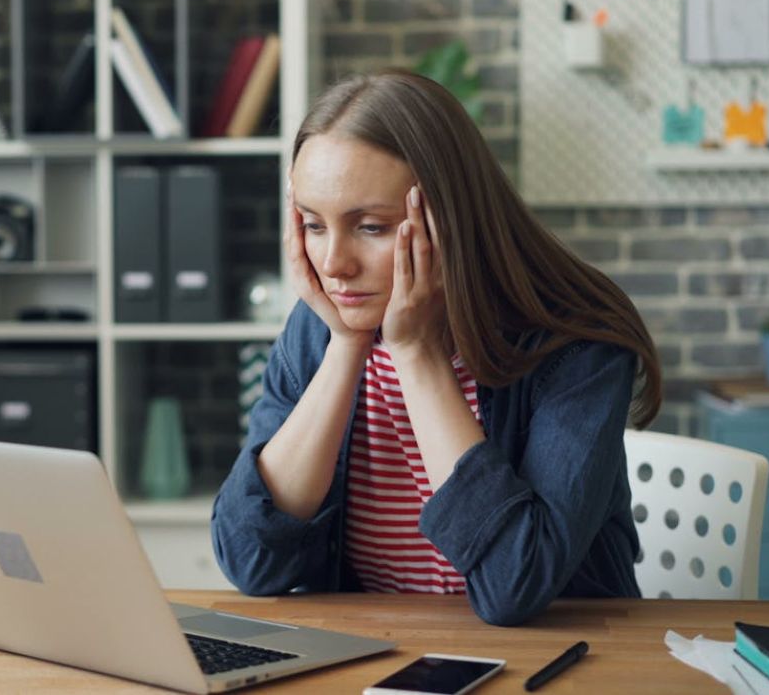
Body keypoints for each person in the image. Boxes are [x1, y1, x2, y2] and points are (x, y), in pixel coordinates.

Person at [211, 69, 662, 627]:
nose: (333, 265)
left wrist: (418, 355)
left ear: (452, 217)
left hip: (555, 664)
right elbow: (251, 561)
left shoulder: (575, 343)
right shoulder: (323, 327)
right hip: (377, 655)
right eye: (312, 224)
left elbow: (512, 586)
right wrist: (347, 345)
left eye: (371, 227)